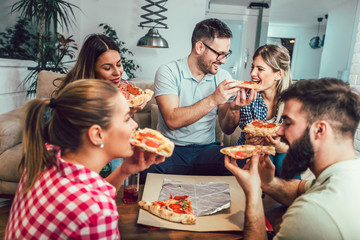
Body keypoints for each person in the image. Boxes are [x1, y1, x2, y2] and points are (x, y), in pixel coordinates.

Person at [5, 79, 165, 239]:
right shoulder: (97, 211)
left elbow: (89, 193)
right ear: (97, 135)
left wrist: (124, 170)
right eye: (126, 118)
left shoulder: (45, 157)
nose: (135, 125)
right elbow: (91, 206)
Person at [225, 78, 360, 239]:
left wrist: (253, 193)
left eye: (287, 123)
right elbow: (299, 189)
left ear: (319, 130)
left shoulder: (311, 213)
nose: (279, 131)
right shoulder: (348, 173)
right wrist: (267, 182)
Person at [140, 18, 256, 183]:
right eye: (219, 54)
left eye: (226, 54)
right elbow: (172, 120)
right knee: (145, 166)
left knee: (244, 162)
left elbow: (227, 128)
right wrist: (214, 98)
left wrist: (235, 108)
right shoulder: (168, 71)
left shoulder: (223, 77)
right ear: (200, 47)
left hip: (206, 150)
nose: (223, 61)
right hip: (170, 149)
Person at [53, 34, 146, 175]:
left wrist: (129, 111)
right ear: (92, 68)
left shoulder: (123, 87)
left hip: (113, 144)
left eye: (119, 64)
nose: (117, 72)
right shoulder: (77, 92)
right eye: (107, 68)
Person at [219, 44, 293, 178]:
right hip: (249, 152)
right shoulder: (247, 95)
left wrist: (281, 147)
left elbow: (302, 145)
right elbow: (227, 129)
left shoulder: (294, 100)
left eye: (260, 69)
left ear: (278, 74)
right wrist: (234, 108)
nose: (252, 73)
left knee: (283, 159)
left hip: (281, 155)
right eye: (253, 67)